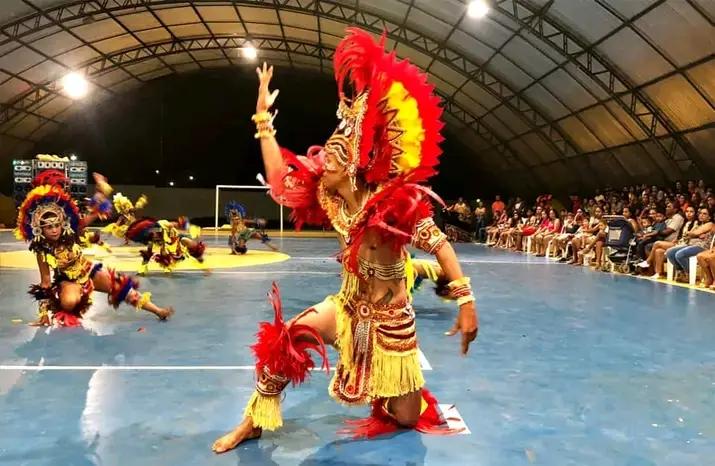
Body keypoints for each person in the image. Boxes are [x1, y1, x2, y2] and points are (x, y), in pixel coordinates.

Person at [212, 29, 478, 454]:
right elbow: (281, 182)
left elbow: (441, 244)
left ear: (354, 163)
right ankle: (253, 422)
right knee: (285, 340)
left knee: (406, 418)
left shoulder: (396, 201)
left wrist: (466, 302)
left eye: (333, 152)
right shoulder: (328, 195)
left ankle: (386, 387)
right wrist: (264, 122)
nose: (322, 158)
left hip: (392, 323)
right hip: (348, 307)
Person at [15, 171, 174, 327]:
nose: (55, 230)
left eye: (57, 225)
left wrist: (101, 190)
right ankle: (69, 304)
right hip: (68, 281)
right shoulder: (42, 250)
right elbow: (45, 282)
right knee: (70, 302)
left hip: (88, 270)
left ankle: (158, 311)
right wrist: (44, 313)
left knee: (122, 288)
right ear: (39, 229)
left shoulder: (72, 231)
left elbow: (94, 212)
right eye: (49, 227)